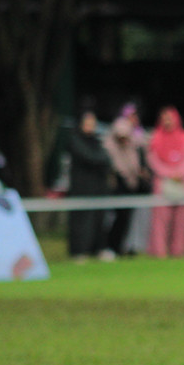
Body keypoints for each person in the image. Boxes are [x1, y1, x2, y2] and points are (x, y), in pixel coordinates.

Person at [147, 106, 184, 258]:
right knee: (160, 221)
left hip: (183, 183)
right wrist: (169, 174)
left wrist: (179, 173)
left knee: (182, 221)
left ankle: (178, 252)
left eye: (170, 118)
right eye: (164, 118)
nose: (168, 121)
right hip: (162, 183)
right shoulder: (154, 138)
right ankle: (159, 252)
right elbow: (153, 160)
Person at [101, 116, 150, 259]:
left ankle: (124, 247)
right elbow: (117, 167)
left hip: (131, 186)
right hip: (116, 187)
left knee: (128, 219)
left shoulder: (133, 146)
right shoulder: (109, 147)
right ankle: (110, 247)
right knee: (115, 218)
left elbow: (135, 163)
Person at [67, 109, 112, 263]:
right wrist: (100, 160)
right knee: (81, 222)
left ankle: (98, 249)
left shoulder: (97, 141)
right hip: (81, 189)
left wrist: (100, 159)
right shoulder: (75, 140)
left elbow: (106, 158)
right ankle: (79, 251)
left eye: (93, 123)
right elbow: (92, 158)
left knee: (99, 220)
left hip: (98, 188)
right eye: (87, 123)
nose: (90, 127)